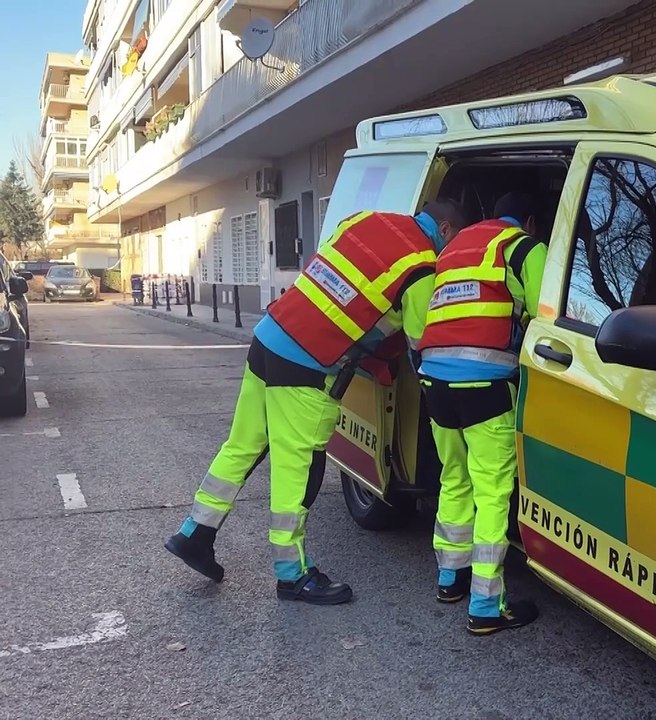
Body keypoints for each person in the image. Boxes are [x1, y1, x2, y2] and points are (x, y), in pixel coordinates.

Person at [164, 199, 468, 605]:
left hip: (270, 334)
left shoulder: (366, 220)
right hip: (307, 360)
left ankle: (194, 533)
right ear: (445, 230)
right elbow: (420, 343)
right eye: (454, 243)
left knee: (244, 445)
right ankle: (292, 576)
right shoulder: (422, 266)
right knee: (300, 465)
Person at [416, 191, 546, 634]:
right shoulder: (524, 246)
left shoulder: (457, 248)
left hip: (434, 380)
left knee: (454, 477)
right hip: (485, 384)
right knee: (492, 491)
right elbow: (546, 313)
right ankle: (486, 607)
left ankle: (450, 578)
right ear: (528, 220)